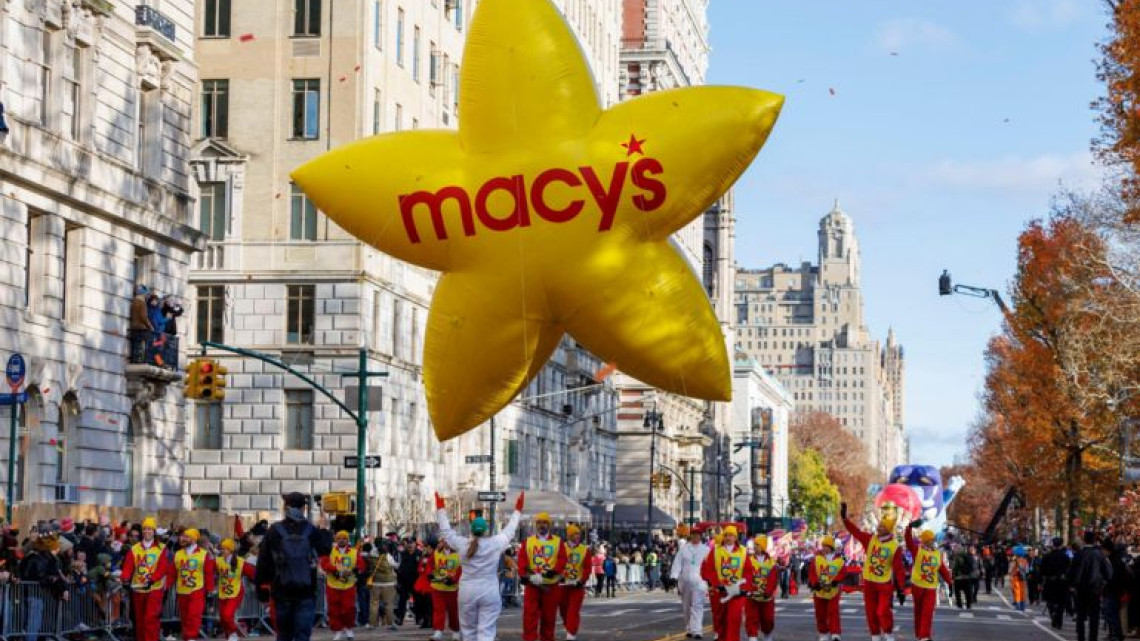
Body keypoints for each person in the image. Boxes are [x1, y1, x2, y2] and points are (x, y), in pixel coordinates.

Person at [435, 491, 524, 641]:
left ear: (471, 529)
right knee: (486, 633)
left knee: (468, 633)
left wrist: (441, 510)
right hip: (489, 592)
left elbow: (447, 533)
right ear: (485, 530)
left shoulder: (462, 544)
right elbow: (509, 531)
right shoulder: (494, 543)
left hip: (467, 592)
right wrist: (517, 511)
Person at [255, 492, 333, 641]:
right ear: (304, 508)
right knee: (302, 634)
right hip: (306, 589)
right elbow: (325, 549)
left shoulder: (275, 530)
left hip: (281, 590)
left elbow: (263, 561)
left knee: (284, 634)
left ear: (286, 507)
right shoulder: (311, 530)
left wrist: (261, 589)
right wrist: (324, 529)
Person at [841, 502, 905, 641]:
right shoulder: (870, 539)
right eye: (879, 525)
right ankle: (875, 636)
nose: (878, 527)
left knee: (882, 611)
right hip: (869, 582)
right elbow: (855, 532)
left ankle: (888, 633)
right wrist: (845, 518)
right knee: (870, 612)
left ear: (889, 529)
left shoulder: (894, 546)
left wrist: (901, 589)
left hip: (884, 584)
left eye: (882, 526)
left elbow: (899, 569)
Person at [121, 517, 172, 641]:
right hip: (138, 588)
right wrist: (125, 579)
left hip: (154, 589)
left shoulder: (161, 548)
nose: (147, 531)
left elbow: (163, 567)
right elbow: (128, 566)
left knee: (150, 618)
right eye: (145, 529)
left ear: (154, 531)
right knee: (139, 620)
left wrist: (153, 580)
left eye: (149, 529)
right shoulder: (135, 548)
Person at [518, 511, 568, 641]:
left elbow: (563, 559)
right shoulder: (528, 541)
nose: (541, 525)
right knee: (529, 615)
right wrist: (523, 575)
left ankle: (547, 638)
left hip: (550, 585)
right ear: (536, 525)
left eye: (544, 522)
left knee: (549, 616)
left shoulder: (558, 541)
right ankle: (529, 638)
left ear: (549, 525)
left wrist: (555, 571)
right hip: (532, 584)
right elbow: (522, 559)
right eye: (539, 522)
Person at [700, 525, 753, 641]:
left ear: (735, 537)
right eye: (726, 535)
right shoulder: (715, 551)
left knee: (733, 618)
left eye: (731, 535)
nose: (728, 538)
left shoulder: (743, 551)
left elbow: (748, 571)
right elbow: (709, 569)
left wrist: (744, 587)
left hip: (737, 592)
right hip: (721, 591)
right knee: (721, 619)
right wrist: (716, 584)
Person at [904, 521, 951, 641]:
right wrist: (909, 528)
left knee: (928, 611)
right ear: (924, 540)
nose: (932, 541)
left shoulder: (937, 554)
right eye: (930, 539)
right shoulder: (917, 550)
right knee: (919, 611)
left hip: (930, 588)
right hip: (917, 586)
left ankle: (924, 636)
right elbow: (908, 541)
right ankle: (920, 635)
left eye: (932, 539)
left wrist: (950, 582)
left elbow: (942, 569)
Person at [320, 531, 366, 640]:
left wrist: (354, 570)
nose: (341, 540)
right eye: (339, 538)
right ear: (336, 540)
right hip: (333, 585)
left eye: (344, 538)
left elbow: (361, 565)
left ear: (347, 540)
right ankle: (338, 630)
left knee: (349, 608)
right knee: (334, 609)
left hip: (348, 585)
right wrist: (335, 570)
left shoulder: (354, 552)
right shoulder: (330, 551)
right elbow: (324, 564)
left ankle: (349, 628)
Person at [1067, 531, 1112, 641]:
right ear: (1094, 540)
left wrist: (1071, 585)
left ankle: (1081, 637)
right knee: (1094, 615)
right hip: (1095, 588)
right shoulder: (1100, 554)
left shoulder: (1079, 554)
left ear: (1084, 540)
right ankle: (1093, 638)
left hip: (1080, 588)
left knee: (1080, 615)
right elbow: (1108, 573)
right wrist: (1104, 582)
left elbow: (1071, 571)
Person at [173, 528, 216, 641]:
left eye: (186, 537)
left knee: (193, 615)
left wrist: (210, 591)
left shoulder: (203, 554)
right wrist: (165, 587)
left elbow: (209, 574)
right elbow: (172, 572)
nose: (182, 539)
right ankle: (187, 637)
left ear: (193, 539)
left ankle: (191, 637)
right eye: (182, 536)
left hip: (197, 590)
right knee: (184, 617)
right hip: (182, 590)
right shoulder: (178, 554)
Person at [670, 525, 710, 640]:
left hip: (700, 581)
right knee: (686, 607)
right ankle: (689, 628)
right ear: (690, 536)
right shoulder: (684, 549)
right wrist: (674, 576)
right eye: (693, 534)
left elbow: (711, 566)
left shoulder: (706, 550)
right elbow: (677, 563)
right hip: (685, 580)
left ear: (700, 536)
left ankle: (697, 631)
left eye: (697, 535)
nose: (695, 537)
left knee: (697, 606)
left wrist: (710, 579)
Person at [808, 535, 849, 641]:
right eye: (823, 546)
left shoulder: (839, 560)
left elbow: (843, 572)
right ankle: (823, 634)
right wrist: (815, 583)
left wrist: (836, 581)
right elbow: (812, 572)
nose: (824, 548)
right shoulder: (816, 559)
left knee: (833, 611)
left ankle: (835, 634)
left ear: (831, 547)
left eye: (826, 546)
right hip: (819, 590)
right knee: (820, 613)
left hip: (833, 591)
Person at [217, 538, 255, 641]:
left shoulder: (240, 562)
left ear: (230, 550)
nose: (221, 551)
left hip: (236, 592)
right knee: (222, 618)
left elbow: (253, 573)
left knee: (227, 615)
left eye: (224, 549)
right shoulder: (218, 560)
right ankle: (229, 635)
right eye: (221, 549)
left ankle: (234, 633)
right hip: (223, 592)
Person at [744, 534, 779, 641]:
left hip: (766, 597)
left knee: (768, 619)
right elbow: (746, 576)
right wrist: (748, 589)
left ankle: (767, 634)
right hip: (752, 596)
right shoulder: (748, 560)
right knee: (751, 617)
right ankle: (752, 636)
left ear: (763, 546)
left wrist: (768, 592)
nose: (755, 547)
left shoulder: (771, 562)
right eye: (754, 544)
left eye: (757, 544)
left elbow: (773, 579)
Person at [427, 537, 462, 641]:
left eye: (448, 540)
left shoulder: (459, 554)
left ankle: (456, 631)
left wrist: (454, 580)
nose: (445, 542)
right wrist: (430, 573)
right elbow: (430, 565)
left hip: (453, 589)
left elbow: (461, 570)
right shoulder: (436, 553)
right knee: (438, 610)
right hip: (438, 587)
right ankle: (438, 631)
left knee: (453, 611)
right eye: (444, 541)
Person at [558, 525, 590, 641]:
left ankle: (571, 633)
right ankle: (569, 627)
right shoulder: (561, 547)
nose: (578, 536)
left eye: (579, 534)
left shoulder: (584, 549)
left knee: (573, 610)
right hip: (562, 585)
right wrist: (558, 575)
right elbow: (556, 563)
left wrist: (582, 580)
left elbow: (587, 567)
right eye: (575, 534)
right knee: (563, 611)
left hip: (577, 586)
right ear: (569, 535)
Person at [1103, 540, 1131, 641]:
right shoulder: (1117, 560)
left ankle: (1116, 634)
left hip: (1113, 591)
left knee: (1110, 613)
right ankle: (1115, 634)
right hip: (1116, 591)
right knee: (1113, 613)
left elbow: (1113, 577)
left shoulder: (1114, 561)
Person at [1040, 537, 1071, 630]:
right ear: (1061, 545)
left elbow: (1042, 570)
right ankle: (1059, 621)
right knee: (1061, 603)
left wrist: (1043, 579)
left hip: (1050, 581)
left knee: (1050, 601)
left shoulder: (1047, 556)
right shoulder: (1065, 557)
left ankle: (1053, 613)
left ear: (1053, 544)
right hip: (1062, 582)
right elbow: (1069, 570)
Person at [369, 540, 399, 631]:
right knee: (388, 604)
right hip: (388, 583)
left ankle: (372, 624)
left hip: (375, 583)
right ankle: (391, 623)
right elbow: (396, 565)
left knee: (374, 603)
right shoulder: (388, 556)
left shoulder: (372, 555)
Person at [952, 543, 978, 610]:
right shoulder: (969, 556)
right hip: (967, 577)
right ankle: (968, 605)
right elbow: (972, 566)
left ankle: (959, 605)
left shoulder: (957, 557)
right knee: (967, 592)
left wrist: (953, 575)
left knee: (957, 592)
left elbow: (955, 567)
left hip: (959, 577)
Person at [1008, 546, 1028, 612]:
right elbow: (1027, 570)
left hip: (1016, 577)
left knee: (1017, 591)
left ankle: (1018, 605)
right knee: (1022, 591)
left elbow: (1011, 570)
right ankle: (1022, 606)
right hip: (1023, 578)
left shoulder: (1015, 560)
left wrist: (1011, 575)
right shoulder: (1025, 560)